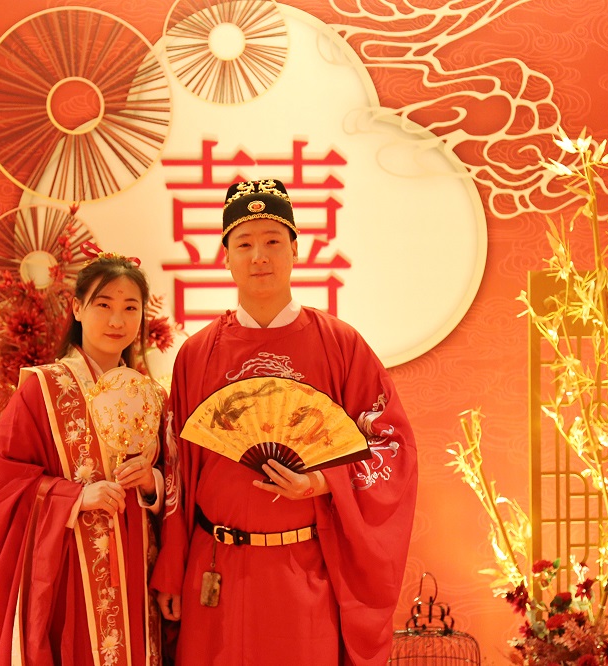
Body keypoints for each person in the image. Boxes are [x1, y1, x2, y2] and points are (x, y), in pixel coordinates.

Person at [150, 178, 419, 666]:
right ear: (225, 257)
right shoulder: (197, 354)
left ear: (296, 250)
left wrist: (323, 481)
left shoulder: (340, 344)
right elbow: (177, 472)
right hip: (214, 569)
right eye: (244, 244)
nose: (259, 257)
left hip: (303, 570)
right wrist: (171, 569)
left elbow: (391, 445)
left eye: (273, 241)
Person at [0, 246, 166, 666]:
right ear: (77, 309)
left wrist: (153, 484)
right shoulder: (41, 389)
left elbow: (179, 481)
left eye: (130, 308)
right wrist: (75, 497)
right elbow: (2, 488)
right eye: (103, 305)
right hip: (70, 575)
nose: (116, 320)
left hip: (139, 575)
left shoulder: (152, 396)